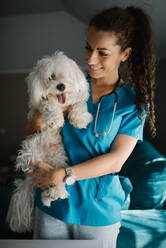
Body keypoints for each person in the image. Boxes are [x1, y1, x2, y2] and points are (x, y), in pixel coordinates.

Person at [25, 6, 156, 246]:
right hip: (53, 204)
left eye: (102, 53)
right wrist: (43, 118)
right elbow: (31, 133)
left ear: (125, 54)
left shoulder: (132, 104)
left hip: (98, 211)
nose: (90, 59)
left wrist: (62, 175)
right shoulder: (68, 85)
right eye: (88, 48)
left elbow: (116, 161)